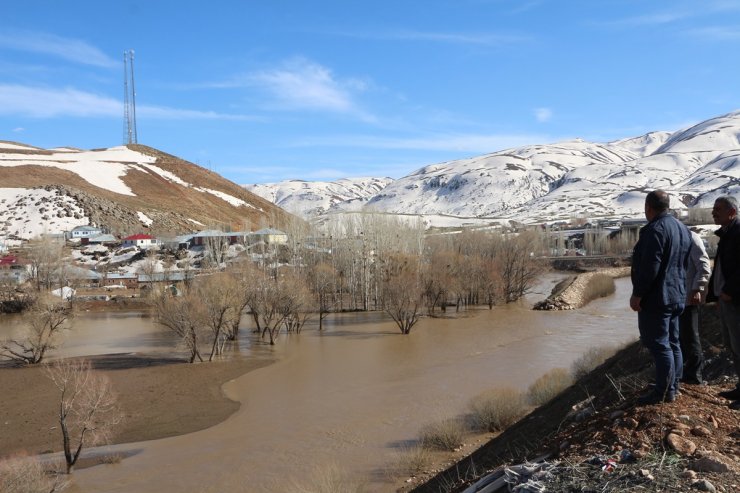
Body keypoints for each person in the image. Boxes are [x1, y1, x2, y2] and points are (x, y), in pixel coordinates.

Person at [630, 190, 691, 405]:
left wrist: (637, 294)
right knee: (673, 342)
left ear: (648, 208)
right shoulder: (682, 228)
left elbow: (650, 267)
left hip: (657, 298)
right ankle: (673, 386)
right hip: (677, 294)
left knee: (659, 344)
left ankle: (663, 392)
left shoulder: (655, 229)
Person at [706, 196, 740, 408]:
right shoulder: (727, 234)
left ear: (732, 212)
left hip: (736, 300)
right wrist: (717, 296)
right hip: (726, 300)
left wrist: (728, 292)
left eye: (718, 209)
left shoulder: (738, 234)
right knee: (732, 346)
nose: (713, 212)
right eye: (713, 208)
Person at [679, 230, 711, 385]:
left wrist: (697, 288)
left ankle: (694, 377)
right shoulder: (672, 236)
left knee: (690, 337)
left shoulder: (691, 237)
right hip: (673, 299)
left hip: (688, 298)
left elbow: (704, 265)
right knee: (678, 339)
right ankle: (682, 375)